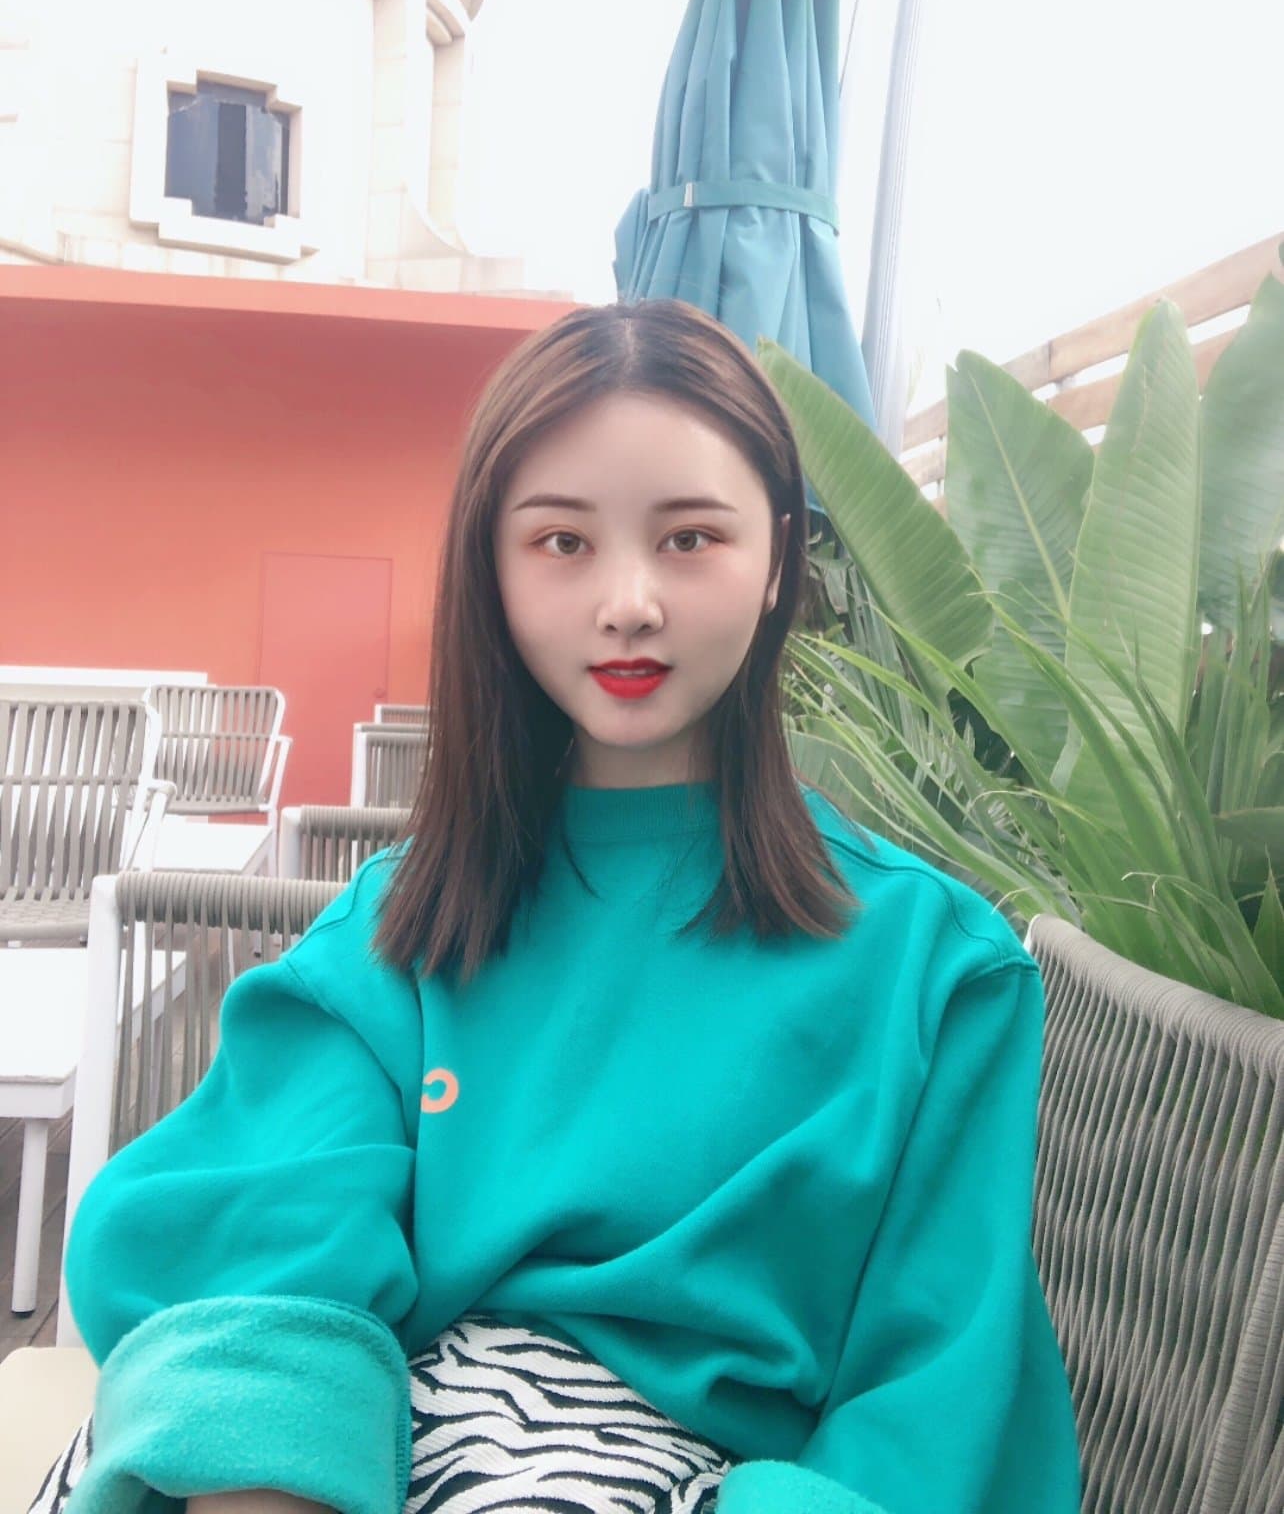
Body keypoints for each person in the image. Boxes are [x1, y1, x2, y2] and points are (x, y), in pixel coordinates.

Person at [35, 299, 1082, 1514]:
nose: (628, 599)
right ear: (492, 566)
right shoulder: (399, 928)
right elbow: (268, 1237)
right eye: (562, 541)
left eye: (689, 537)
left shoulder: (935, 969)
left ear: (780, 560)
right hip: (361, 1447)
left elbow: (937, 1389)